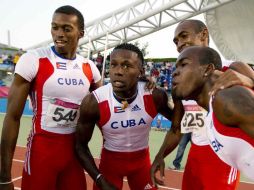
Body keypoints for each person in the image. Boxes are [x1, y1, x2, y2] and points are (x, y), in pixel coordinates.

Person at [0, 5, 102, 190]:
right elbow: (12, 117)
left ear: (80, 33)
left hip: (74, 155)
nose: (59, 34)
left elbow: (108, 106)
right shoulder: (33, 60)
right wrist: (4, 176)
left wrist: (141, 82)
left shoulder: (90, 67)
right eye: (55, 27)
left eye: (66, 28)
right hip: (42, 155)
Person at [151, 19, 254, 190]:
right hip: (196, 152)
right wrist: (160, 156)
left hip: (224, 157)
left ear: (204, 34)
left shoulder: (233, 67)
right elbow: (177, 128)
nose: (179, 44)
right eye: (176, 41)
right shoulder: (183, 82)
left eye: (184, 36)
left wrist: (249, 80)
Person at [75, 43, 173, 190]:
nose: (118, 71)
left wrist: (161, 155)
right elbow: (79, 146)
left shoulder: (155, 96)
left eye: (127, 66)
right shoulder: (94, 102)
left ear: (141, 71)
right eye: (113, 65)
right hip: (110, 165)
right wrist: (99, 179)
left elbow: (179, 124)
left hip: (141, 165)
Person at [171, 46, 254, 180]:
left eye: (183, 65)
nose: (174, 72)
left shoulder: (226, 98)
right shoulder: (212, 108)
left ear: (208, 69)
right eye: (176, 67)